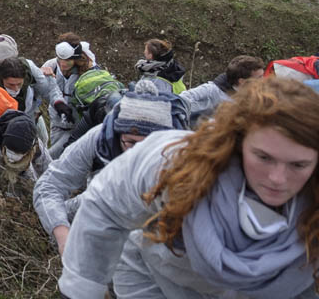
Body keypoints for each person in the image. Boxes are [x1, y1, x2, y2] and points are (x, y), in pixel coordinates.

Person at [58, 78, 319, 299]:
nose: (277, 179)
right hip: (152, 279)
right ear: (238, 141)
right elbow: (105, 204)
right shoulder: (176, 164)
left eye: (299, 165)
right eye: (263, 157)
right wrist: (82, 288)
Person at [34, 78, 188, 254]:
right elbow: (50, 185)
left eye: (149, 144)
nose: (139, 153)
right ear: (118, 133)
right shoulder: (99, 138)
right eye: (131, 142)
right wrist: (62, 235)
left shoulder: (183, 151)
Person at [180, 54, 264, 121]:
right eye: (259, 78)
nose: (263, 80)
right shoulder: (211, 90)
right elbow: (180, 99)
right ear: (242, 81)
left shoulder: (258, 95)